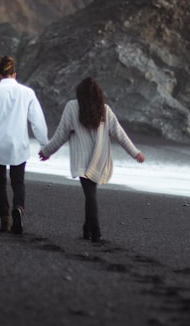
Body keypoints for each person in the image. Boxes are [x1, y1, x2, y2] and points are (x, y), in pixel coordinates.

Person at [38, 77, 144, 243]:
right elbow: (120, 134)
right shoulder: (104, 110)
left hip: (82, 159)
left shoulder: (72, 107)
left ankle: (96, 232)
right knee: (90, 193)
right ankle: (87, 229)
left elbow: (61, 134)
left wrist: (47, 151)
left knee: (90, 194)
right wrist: (135, 153)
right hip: (99, 158)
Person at [0, 55, 49, 235]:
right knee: (18, 182)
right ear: (14, 74)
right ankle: (18, 208)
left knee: (0, 183)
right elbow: (37, 122)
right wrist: (45, 145)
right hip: (19, 145)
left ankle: (5, 219)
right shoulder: (27, 93)